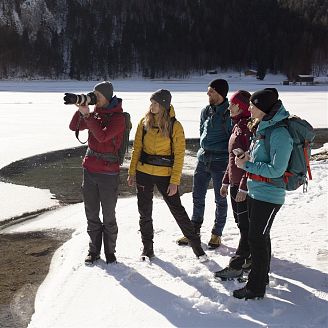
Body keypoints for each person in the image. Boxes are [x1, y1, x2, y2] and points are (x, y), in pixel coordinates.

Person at [127, 89, 207, 261]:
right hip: (144, 173)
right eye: (151, 103)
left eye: (156, 103)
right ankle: (147, 249)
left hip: (165, 175)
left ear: (164, 105)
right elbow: (137, 149)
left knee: (177, 210)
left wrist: (174, 181)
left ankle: (197, 248)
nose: (152, 106)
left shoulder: (175, 126)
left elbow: (179, 156)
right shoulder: (144, 122)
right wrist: (132, 172)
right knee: (144, 212)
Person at [233, 88, 293, 299]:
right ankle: (261, 277)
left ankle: (255, 287)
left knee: (256, 239)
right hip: (256, 191)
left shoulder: (279, 133)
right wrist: (246, 157)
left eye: (252, 104)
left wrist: (248, 165)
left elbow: (277, 170)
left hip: (269, 195)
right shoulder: (264, 127)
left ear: (262, 107)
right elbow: (261, 158)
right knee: (259, 237)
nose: (248, 108)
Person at [69, 81, 125, 265]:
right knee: (91, 214)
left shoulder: (119, 119)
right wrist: (81, 109)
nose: (94, 98)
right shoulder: (94, 114)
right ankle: (94, 251)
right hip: (90, 170)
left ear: (107, 97)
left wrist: (88, 116)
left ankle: (111, 252)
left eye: (97, 96)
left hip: (109, 173)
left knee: (108, 216)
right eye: (93, 95)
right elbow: (73, 126)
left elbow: (102, 136)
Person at [177, 79, 232, 249]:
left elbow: (233, 139)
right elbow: (202, 132)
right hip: (203, 159)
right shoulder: (205, 111)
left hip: (221, 161)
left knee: (220, 199)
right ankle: (194, 230)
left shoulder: (229, 114)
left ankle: (217, 233)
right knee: (197, 196)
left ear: (221, 94)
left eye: (211, 92)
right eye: (208, 91)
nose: (208, 94)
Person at [215, 90, 253, 280]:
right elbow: (233, 159)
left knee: (246, 226)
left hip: (243, 187)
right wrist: (226, 181)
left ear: (242, 107)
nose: (229, 107)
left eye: (233, 104)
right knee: (241, 224)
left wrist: (244, 187)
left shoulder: (247, 129)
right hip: (235, 184)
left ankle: (238, 264)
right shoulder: (237, 126)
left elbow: (250, 161)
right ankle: (249, 257)